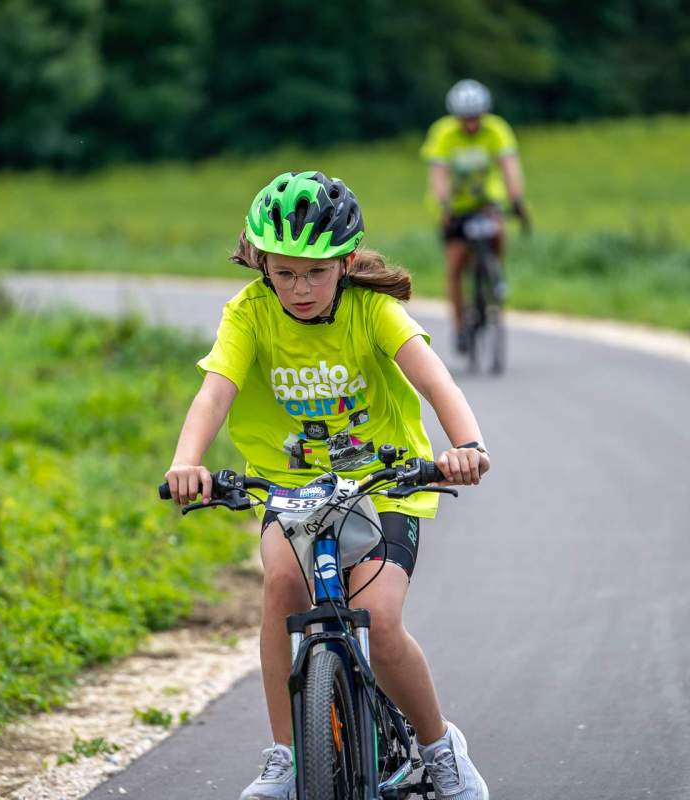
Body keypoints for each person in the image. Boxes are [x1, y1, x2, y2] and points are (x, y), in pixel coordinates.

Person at [165, 170, 491, 800]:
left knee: (381, 621)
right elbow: (214, 393)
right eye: (285, 272)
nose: (300, 288)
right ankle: (286, 757)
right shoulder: (249, 313)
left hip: (383, 482)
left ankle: (439, 748)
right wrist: (187, 462)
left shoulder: (374, 309)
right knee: (280, 590)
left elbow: (435, 381)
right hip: (291, 487)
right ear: (262, 264)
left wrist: (467, 447)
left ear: (345, 262)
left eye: (315, 272)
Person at [421, 78, 529, 353]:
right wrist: (444, 205)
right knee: (456, 263)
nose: (471, 124)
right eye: (465, 119)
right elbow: (438, 174)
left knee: (498, 230)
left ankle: (494, 272)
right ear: (456, 116)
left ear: (484, 114)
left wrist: (517, 200)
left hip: (486, 200)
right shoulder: (443, 133)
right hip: (455, 205)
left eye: (475, 118)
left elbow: (510, 167)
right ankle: (459, 326)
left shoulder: (496, 129)